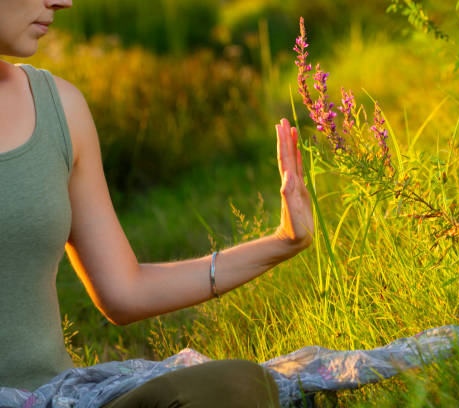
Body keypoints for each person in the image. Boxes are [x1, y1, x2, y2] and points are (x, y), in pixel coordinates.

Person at [0, 0, 314, 406]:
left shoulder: (59, 107)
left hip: (55, 399)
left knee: (234, 385)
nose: (62, 1)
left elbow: (125, 291)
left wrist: (283, 241)